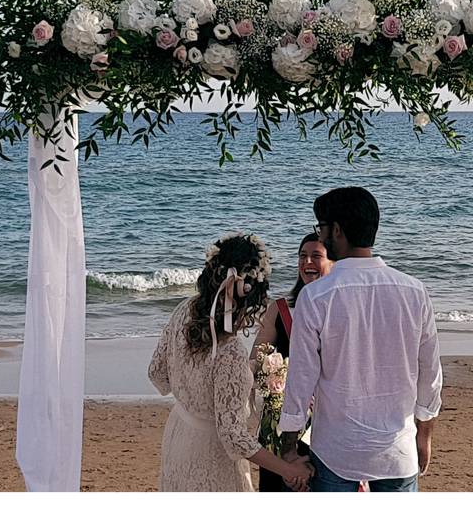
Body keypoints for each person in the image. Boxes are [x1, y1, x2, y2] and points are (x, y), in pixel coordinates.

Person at [277, 187, 443, 492]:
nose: (321, 236)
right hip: (397, 449)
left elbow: (301, 377)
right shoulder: (413, 291)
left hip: (336, 450)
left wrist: (289, 443)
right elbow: (430, 373)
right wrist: (424, 433)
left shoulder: (316, 296)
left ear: (337, 230)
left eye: (322, 229)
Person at [148, 232, 314, 492]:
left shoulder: (183, 309)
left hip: (178, 433)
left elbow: (156, 373)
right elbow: (233, 437)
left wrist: (191, 391)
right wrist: (289, 469)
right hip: (210, 453)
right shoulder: (231, 351)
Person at [250, 233, 334, 492]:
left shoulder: (340, 307)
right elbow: (254, 361)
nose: (307, 261)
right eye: (302, 256)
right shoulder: (280, 309)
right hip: (281, 419)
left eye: (316, 256)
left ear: (333, 262)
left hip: (328, 422)